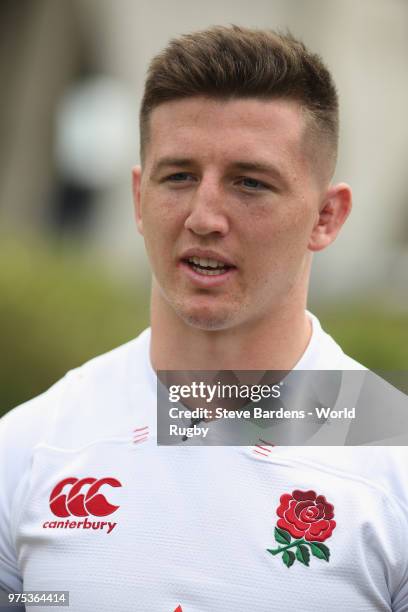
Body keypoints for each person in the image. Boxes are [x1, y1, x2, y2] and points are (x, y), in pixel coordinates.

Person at [0, 25, 407, 612]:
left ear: (326, 216)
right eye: (180, 176)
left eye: (250, 182)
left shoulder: (391, 456)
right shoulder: (31, 444)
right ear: (139, 199)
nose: (205, 216)